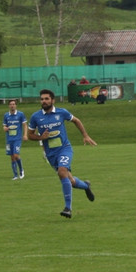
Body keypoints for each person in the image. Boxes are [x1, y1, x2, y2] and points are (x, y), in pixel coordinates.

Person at [27, 88, 97, 219]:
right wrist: (41, 137)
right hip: (51, 154)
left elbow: (76, 120)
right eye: (42, 99)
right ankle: (86, 186)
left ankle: (68, 208)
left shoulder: (62, 112)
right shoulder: (36, 117)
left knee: (62, 171)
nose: (44, 101)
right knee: (69, 180)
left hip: (64, 149)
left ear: (53, 100)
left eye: (47, 99)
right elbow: (29, 136)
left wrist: (85, 136)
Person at [3, 99, 26, 180]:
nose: (12, 105)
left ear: (16, 105)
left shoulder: (20, 114)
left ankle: (21, 170)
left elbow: (24, 125)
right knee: (12, 157)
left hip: (17, 138)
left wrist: (25, 134)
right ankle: (15, 175)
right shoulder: (6, 115)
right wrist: (5, 128)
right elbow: (4, 126)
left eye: (13, 104)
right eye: (11, 104)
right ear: (9, 106)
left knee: (16, 155)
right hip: (9, 139)